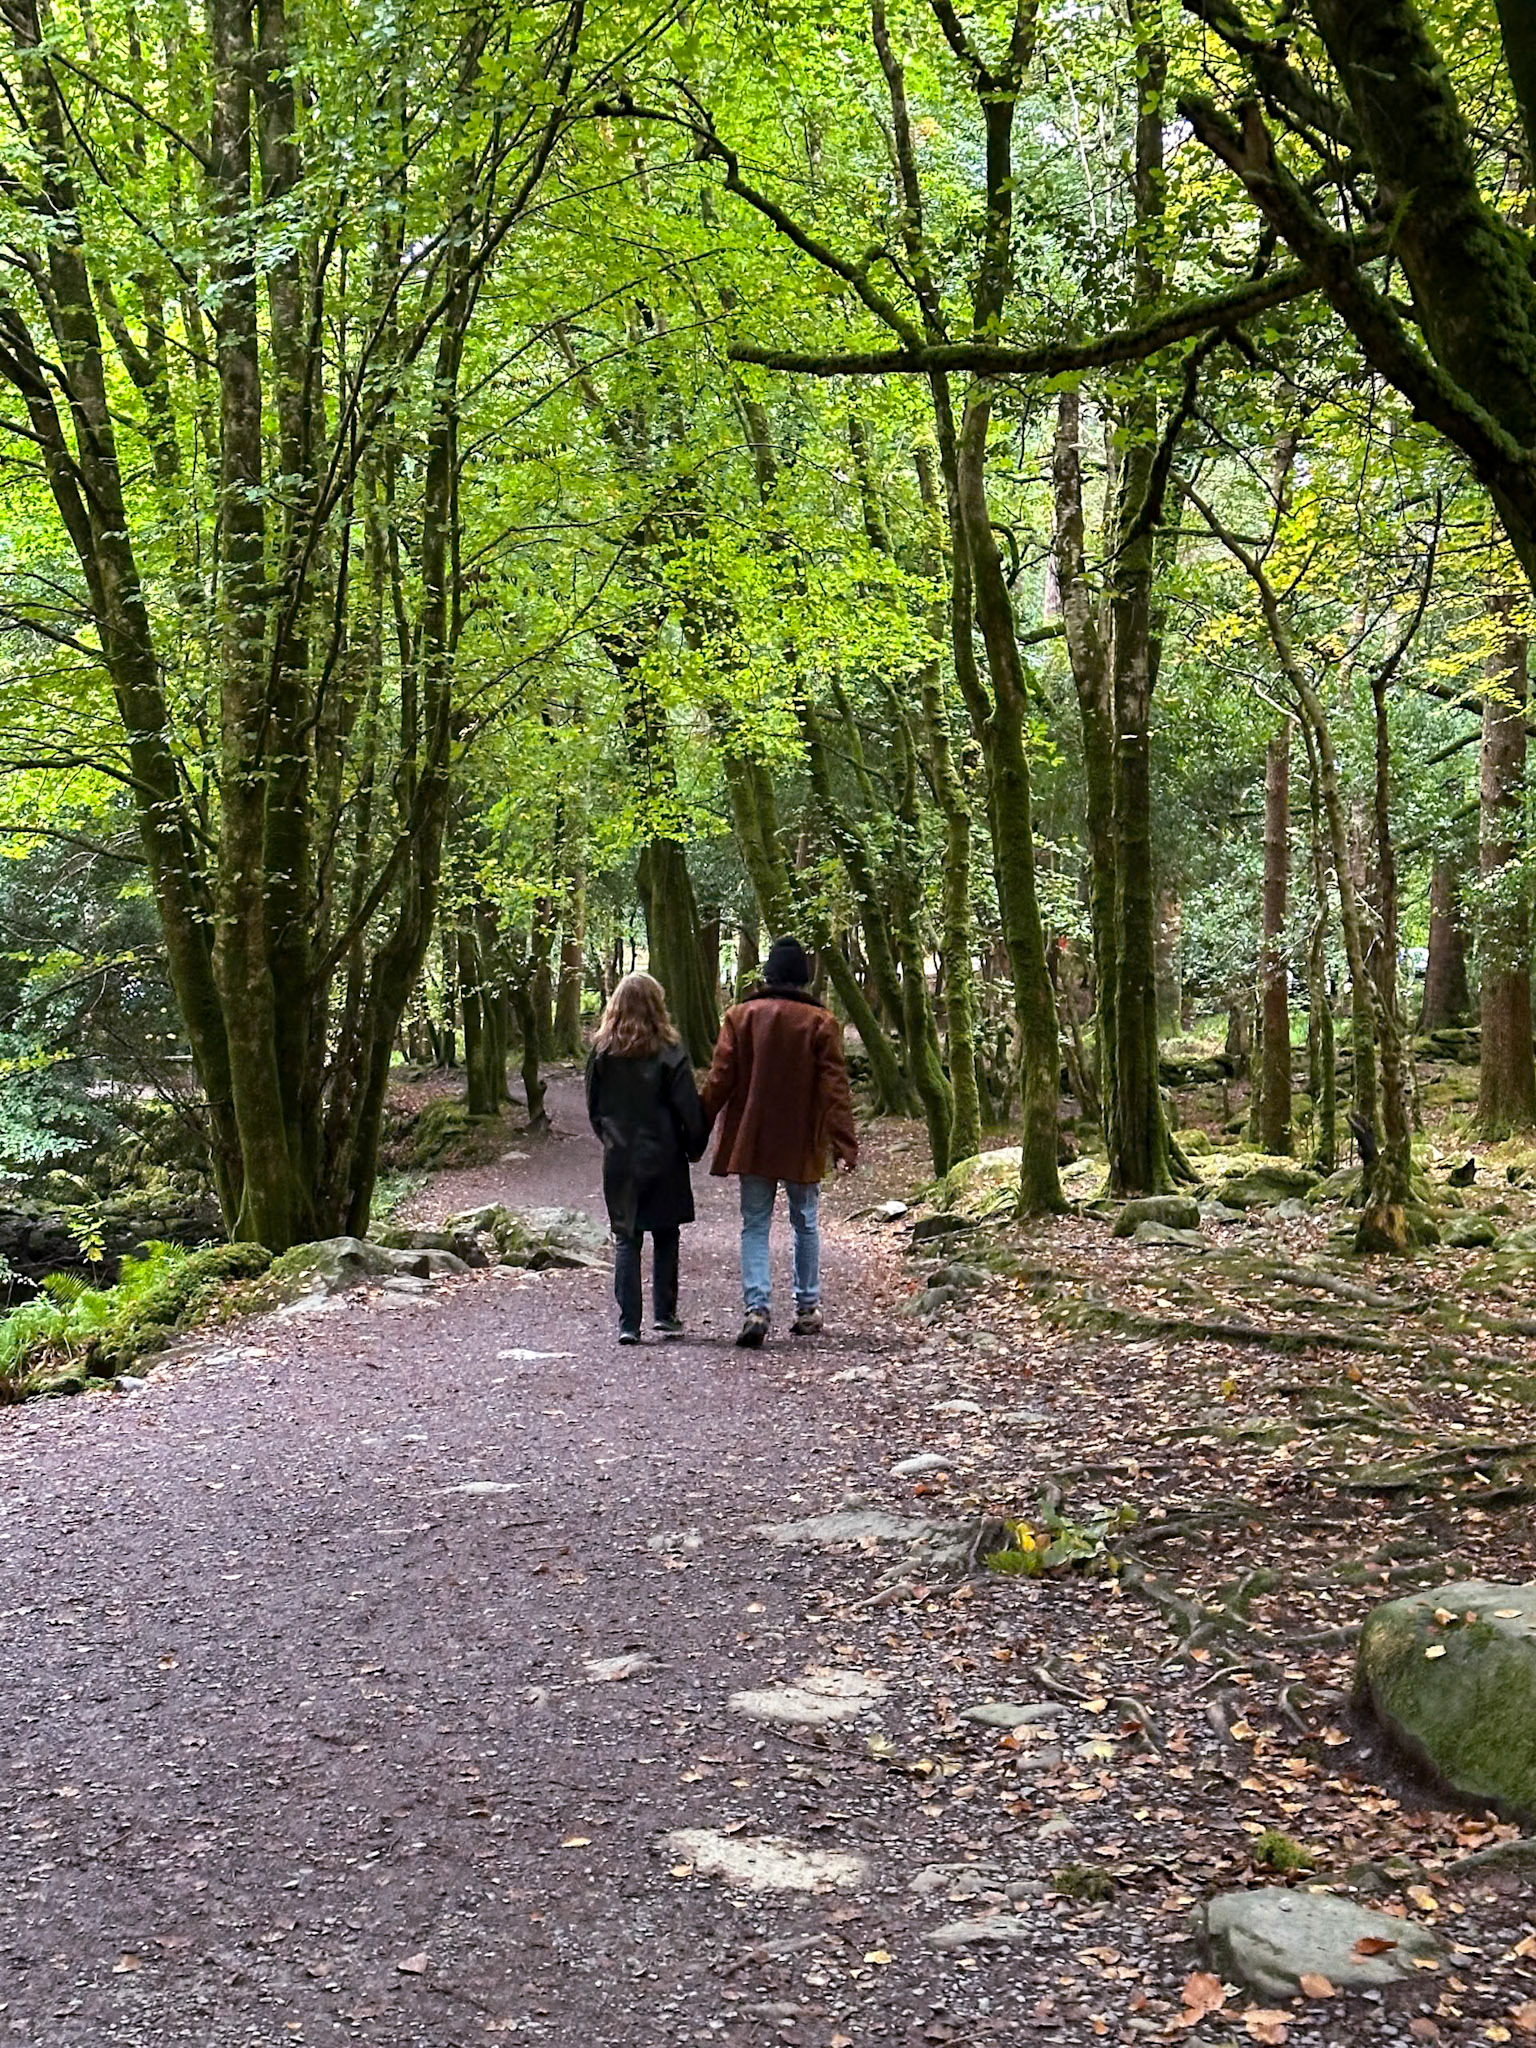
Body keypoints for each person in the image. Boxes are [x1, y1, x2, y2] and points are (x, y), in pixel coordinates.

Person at [700, 935, 858, 1348]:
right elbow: (835, 1087)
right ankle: (807, 1307)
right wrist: (843, 1142)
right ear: (803, 977)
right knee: (805, 1222)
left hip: (753, 1139)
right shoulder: (821, 1023)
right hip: (802, 1140)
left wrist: (697, 1125)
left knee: (755, 1224)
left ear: (769, 974)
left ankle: (756, 1308)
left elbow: (720, 1080)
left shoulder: (740, 1017)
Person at [586, 972, 708, 1344]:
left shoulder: (602, 1052)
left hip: (621, 1158)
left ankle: (629, 1324)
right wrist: (694, 1146)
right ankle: (665, 1315)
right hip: (665, 1155)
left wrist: (610, 1140)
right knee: (666, 1232)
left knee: (627, 1237)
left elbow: (594, 1108)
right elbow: (688, 1107)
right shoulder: (669, 1051)